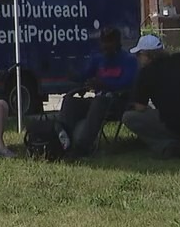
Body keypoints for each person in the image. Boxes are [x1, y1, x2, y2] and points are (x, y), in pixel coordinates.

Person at [57, 26, 137, 156]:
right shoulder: (98, 59)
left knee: (99, 101)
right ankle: (63, 141)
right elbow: (84, 75)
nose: (106, 46)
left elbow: (127, 83)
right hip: (99, 100)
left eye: (109, 42)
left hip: (119, 102)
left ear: (117, 42)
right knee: (70, 101)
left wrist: (104, 84)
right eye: (103, 41)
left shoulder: (129, 60)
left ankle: (82, 147)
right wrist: (73, 73)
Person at [122, 34, 180, 158]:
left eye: (139, 55)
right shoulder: (179, 59)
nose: (138, 58)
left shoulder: (146, 73)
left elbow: (140, 108)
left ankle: (167, 145)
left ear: (146, 55)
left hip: (173, 124)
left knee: (129, 117)